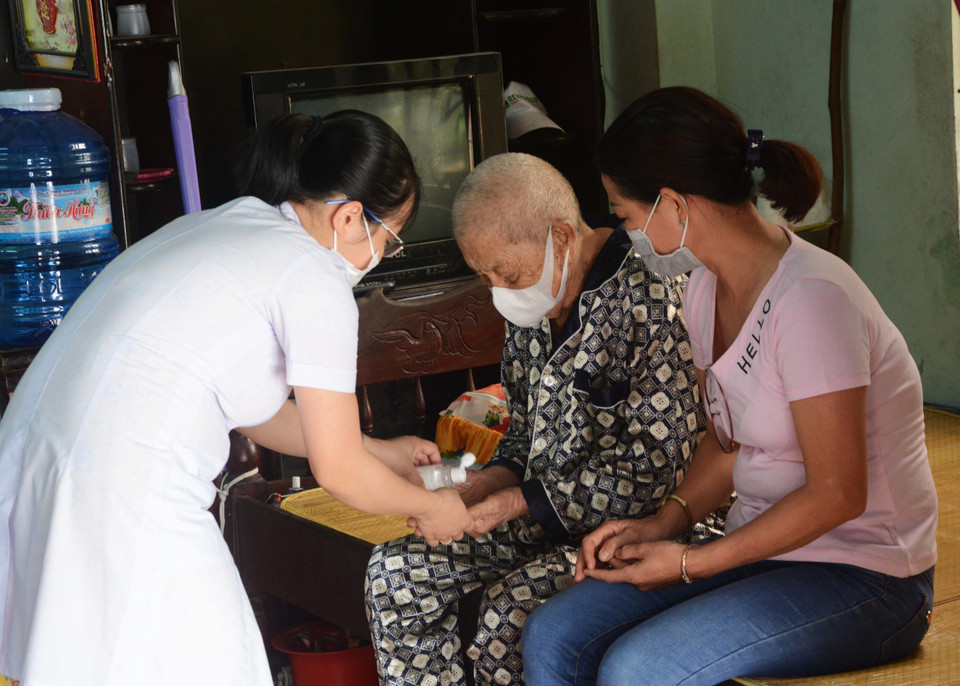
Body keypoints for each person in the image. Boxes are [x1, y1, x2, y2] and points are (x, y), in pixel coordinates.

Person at [0, 111, 472, 686]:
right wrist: (430, 507)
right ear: (350, 216)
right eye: (389, 240)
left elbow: (257, 411)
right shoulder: (313, 276)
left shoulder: (227, 223)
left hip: (33, 458)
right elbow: (338, 471)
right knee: (215, 665)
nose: (383, 256)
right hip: (121, 489)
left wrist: (382, 450)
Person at [522, 86, 938, 686]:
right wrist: (665, 523)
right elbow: (726, 443)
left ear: (673, 203)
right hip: (763, 551)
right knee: (555, 635)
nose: (626, 232)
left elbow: (839, 493)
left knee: (638, 670)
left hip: (865, 578)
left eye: (625, 214)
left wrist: (691, 561)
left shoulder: (813, 301)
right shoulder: (703, 289)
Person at [365, 152, 716, 686]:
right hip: (537, 515)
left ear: (562, 236)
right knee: (394, 576)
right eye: (484, 276)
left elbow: (657, 469)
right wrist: (485, 486)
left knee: (509, 614)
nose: (499, 290)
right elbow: (525, 432)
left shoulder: (650, 296)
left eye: (506, 273)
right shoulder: (531, 305)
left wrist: (516, 502)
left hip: (642, 527)